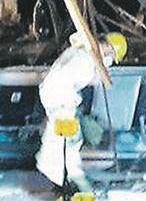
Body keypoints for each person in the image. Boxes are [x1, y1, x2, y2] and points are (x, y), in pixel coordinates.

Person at [36, 32, 127, 191]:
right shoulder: (85, 58)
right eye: (111, 56)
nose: (110, 60)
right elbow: (72, 77)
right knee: (67, 142)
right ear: (108, 48)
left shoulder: (84, 52)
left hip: (58, 98)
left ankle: (63, 180)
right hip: (61, 100)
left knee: (63, 141)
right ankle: (71, 181)